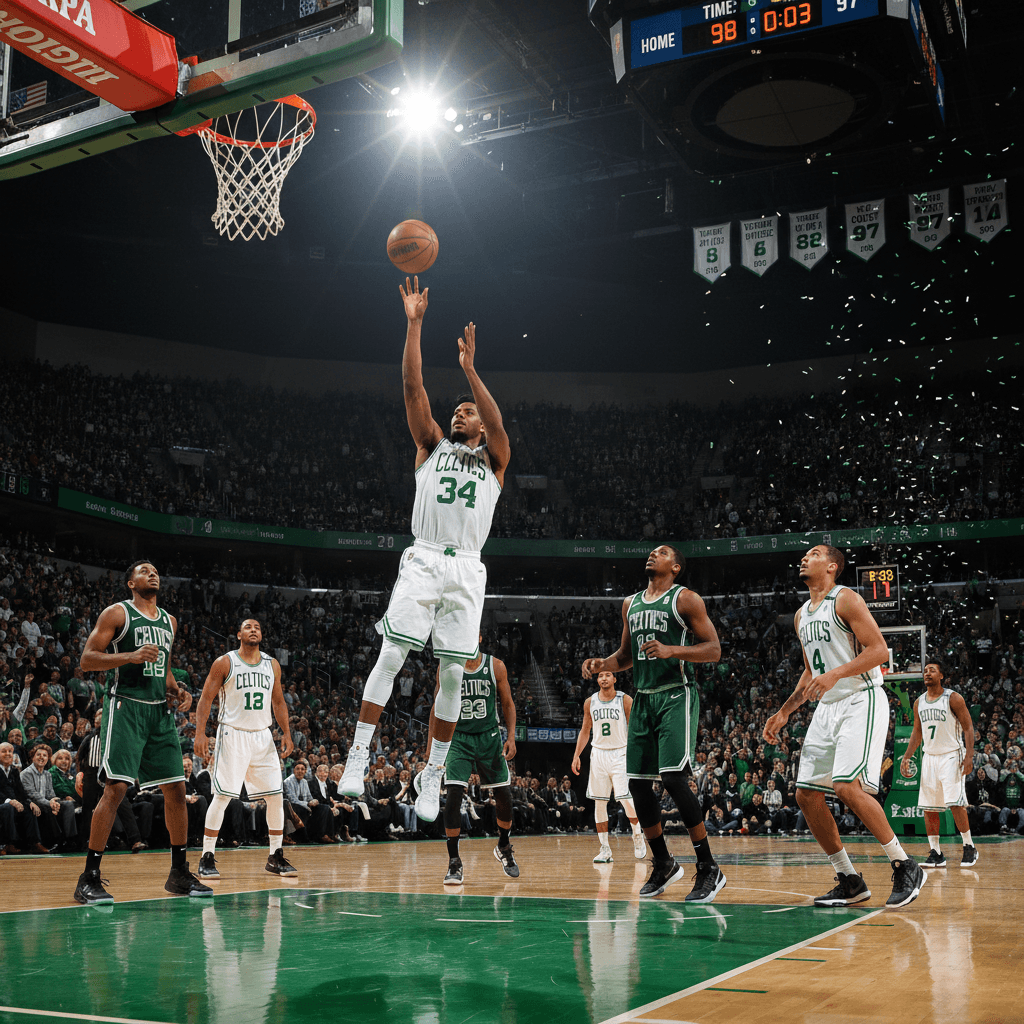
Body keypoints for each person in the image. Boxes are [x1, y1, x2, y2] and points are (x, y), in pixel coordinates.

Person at [339, 277, 510, 832]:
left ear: (480, 425)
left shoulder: (496, 460)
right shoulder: (431, 446)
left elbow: (499, 422)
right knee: (391, 656)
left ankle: (434, 771)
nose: (460, 415)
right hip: (425, 556)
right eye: (457, 411)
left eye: (467, 412)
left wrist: (470, 373)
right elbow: (413, 389)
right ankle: (359, 754)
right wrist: (414, 325)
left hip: (468, 568)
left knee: (454, 676)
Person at [763, 545, 925, 909]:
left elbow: (879, 650)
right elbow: (810, 672)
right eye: (804, 554)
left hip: (860, 697)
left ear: (832, 566)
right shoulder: (801, 614)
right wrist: (786, 711)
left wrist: (835, 674)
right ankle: (849, 879)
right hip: (827, 707)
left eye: (815, 553)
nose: (805, 557)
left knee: (847, 787)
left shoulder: (845, 599)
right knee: (806, 794)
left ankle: (905, 864)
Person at [582, 545, 726, 902]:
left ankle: (708, 866)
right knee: (639, 787)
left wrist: (673, 650)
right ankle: (663, 862)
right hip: (644, 696)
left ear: (675, 567)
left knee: (675, 779)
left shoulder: (686, 599)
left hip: (676, 692)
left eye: (661, 553)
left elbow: (713, 649)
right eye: (651, 552)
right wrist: (602, 664)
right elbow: (625, 657)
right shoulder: (630, 603)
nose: (652, 554)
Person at [72, 560, 212, 905]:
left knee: (177, 790)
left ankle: (179, 872)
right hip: (126, 707)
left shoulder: (170, 622)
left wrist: (177, 691)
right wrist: (130, 656)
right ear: (131, 583)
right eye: (144, 570)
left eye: (155, 570)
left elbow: (161, 669)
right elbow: (87, 660)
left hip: (159, 714)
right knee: (116, 788)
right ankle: (88, 877)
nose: (153, 573)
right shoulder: (117, 613)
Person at [193, 618, 296, 879]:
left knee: (275, 796)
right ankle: (207, 856)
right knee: (224, 796)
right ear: (238, 634)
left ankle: (275, 855)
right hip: (232, 733)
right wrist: (200, 733)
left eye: (258, 627)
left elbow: (279, 702)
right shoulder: (225, 662)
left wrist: (286, 732)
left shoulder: (271, 664)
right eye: (248, 627)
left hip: (262, 736)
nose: (254, 630)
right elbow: (206, 699)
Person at [431, 643, 519, 885]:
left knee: (504, 795)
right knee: (454, 794)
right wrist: (432, 748)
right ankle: (454, 861)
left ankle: (503, 845)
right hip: (458, 736)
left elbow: (508, 703)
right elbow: (437, 708)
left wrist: (510, 737)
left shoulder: (495, 666)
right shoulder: (447, 667)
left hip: (489, 736)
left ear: (478, 636)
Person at [899, 657, 978, 868]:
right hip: (930, 757)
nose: (927, 673)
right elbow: (917, 733)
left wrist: (969, 756)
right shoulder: (919, 702)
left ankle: (969, 846)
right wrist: (907, 756)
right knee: (929, 808)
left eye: (932, 670)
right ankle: (936, 853)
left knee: (955, 803)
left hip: (952, 755)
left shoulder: (953, 698)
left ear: (941, 675)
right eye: (925, 670)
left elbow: (969, 728)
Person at [571, 670, 646, 863]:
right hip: (598, 754)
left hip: (621, 752)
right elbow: (585, 730)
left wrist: (638, 753)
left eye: (607, 675)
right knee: (600, 802)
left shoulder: (625, 699)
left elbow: (635, 728)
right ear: (597, 680)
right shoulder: (590, 702)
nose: (603, 678)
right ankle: (605, 848)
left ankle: (637, 833)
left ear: (615, 678)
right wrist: (576, 755)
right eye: (600, 676)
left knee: (626, 799)